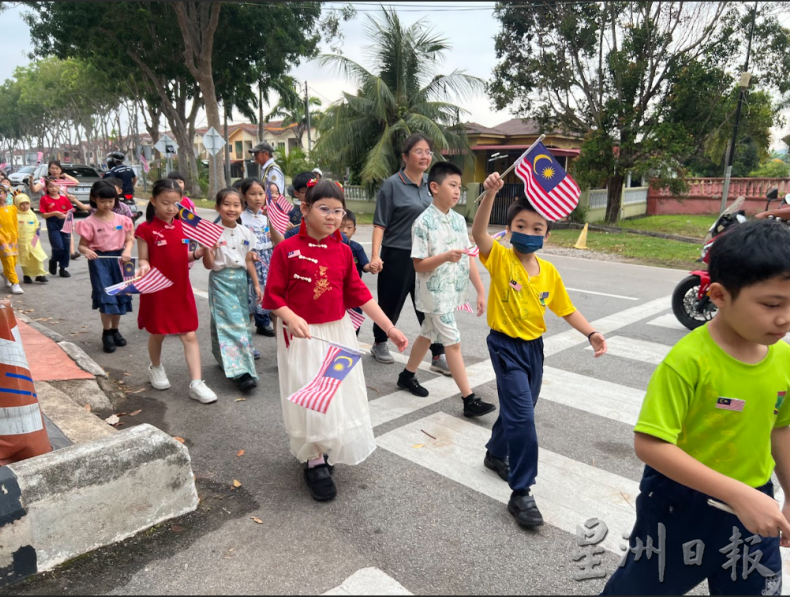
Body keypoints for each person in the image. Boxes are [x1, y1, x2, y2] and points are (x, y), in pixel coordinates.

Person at [601, 219, 790, 595]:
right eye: (771, 304)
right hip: (680, 506)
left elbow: (780, 428)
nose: (784, 318)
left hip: (754, 501)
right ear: (718, 295)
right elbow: (651, 445)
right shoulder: (689, 361)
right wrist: (736, 495)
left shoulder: (783, 358)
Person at [472, 172, 607, 529]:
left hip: (534, 349)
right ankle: (522, 492)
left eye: (537, 228)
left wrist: (591, 332)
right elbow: (479, 234)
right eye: (520, 225)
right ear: (510, 228)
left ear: (548, 235)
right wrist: (489, 195)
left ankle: (496, 453)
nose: (528, 233)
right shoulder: (501, 259)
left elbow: (566, 308)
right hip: (505, 347)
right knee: (523, 417)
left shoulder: (548, 271)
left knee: (522, 408)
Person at [262, 179, 408, 502]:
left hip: (338, 334)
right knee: (309, 394)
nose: (332, 217)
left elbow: (360, 295)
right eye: (324, 209)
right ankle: (314, 460)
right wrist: (291, 317)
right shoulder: (287, 249)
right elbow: (272, 296)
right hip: (302, 336)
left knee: (333, 393)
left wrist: (390, 327)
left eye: (338, 211)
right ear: (305, 209)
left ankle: (325, 448)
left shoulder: (343, 251)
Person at [398, 162, 496, 417]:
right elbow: (418, 265)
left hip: (451, 292)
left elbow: (468, 258)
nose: (457, 192)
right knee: (453, 342)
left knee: (427, 334)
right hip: (434, 296)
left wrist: (480, 290)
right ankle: (469, 399)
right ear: (434, 187)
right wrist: (444, 257)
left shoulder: (458, 220)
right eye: (452, 185)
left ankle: (407, 376)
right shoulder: (422, 223)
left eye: (459, 187)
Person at [370, 134, 450, 375]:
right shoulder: (392, 185)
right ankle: (380, 342)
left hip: (427, 255)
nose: (425, 156)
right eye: (418, 151)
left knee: (430, 304)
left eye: (428, 151)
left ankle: (438, 353)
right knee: (389, 303)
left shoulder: (433, 185)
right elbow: (379, 224)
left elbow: (442, 216)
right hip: (397, 254)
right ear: (405, 156)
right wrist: (375, 256)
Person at [136, 179, 217, 404]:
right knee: (158, 332)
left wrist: (200, 253)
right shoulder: (146, 229)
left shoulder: (185, 226)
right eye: (165, 202)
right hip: (157, 290)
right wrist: (143, 265)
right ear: (153, 201)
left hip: (181, 289)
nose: (171, 208)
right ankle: (155, 367)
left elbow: (184, 257)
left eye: (175, 203)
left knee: (189, 334)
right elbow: (143, 258)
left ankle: (197, 383)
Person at [201, 188, 260, 392]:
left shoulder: (247, 233)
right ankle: (242, 372)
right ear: (217, 207)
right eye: (226, 204)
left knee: (238, 320)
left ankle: (221, 356)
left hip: (241, 282)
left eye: (236, 205)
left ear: (242, 208)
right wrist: (208, 249)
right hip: (220, 280)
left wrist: (257, 285)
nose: (231, 209)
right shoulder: (211, 232)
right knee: (232, 324)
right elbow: (209, 265)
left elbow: (248, 261)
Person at [75, 181, 135, 353]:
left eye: (111, 201)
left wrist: (127, 251)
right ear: (94, 199)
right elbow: (82, 245)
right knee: (106, 296)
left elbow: (129, 239)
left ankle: (115, 330)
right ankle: (106, 332)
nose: (107, 205)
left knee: (120, 295)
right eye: (103, 201)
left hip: (121, 260)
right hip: (100, 261)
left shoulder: (123, 220)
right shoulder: (88, 222)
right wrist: (86, 251)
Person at [238, 177, 275, 339]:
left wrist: (272, 232)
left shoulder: (267, 216)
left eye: (261, 193)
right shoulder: (240, 217)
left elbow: (274, 241)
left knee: (270, 300)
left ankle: (265, 326)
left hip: (267, 261)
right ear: (244, 196)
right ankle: (245, 342)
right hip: (250, 262)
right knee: (249, 305)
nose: (258, 198)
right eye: (253, 194)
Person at [28, 160, 85, 259]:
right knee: (55, 235)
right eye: (52, 168)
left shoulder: (63, 180)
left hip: (65, 207)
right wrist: (30, 182)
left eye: (57, 168)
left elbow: (76, 182)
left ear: (61, 169)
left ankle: (71, 253)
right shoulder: (46, 180)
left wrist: (66, 175)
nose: (54, 170)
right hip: (52, 209)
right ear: (49, 169)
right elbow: (34, 189)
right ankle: (57, 253)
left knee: (68, 230)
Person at [341, 209, 374, 337]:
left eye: (348, 227)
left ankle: (353, 339)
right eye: (341, 227)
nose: (344, 231)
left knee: (355, 318)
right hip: (338, 289)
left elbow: (365, 266)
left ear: (354, 230)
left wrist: (371, 267)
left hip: (353, 289)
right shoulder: (332, 247)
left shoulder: (356, 247)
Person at [39, 178, 74, 278]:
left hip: (64, 223)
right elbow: (43, 215)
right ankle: (53, 260)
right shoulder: (44, 199)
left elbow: (70, 211)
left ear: (59, 187)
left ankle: (63, 268)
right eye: (51, 186)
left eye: (56, 186)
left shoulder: (64, 199)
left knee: (66, 247)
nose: (54, 189)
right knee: (58, 246)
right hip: (52, 223)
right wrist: (54, 213)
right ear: (46, 188)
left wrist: (66, 217)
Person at [14, 193, 48, 284]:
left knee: (37, 257)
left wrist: (37, 230)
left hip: (33, 240)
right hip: (21, 241)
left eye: (27, 203)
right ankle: (27, 275)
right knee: (25, 258)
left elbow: (37, 224)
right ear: (17, 204)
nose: (25, 206)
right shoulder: (15, 215)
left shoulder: (32, 214)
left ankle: (40, 274)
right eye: (22, 204)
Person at [0, 187, 20, 294]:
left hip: (12, 239)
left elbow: (15, 223)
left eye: (1, 193)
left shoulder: (12, 208)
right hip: (1, 239)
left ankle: (6, 274)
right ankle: (15, 283)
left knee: (13, 260)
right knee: (8, 259)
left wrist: (16, 236)